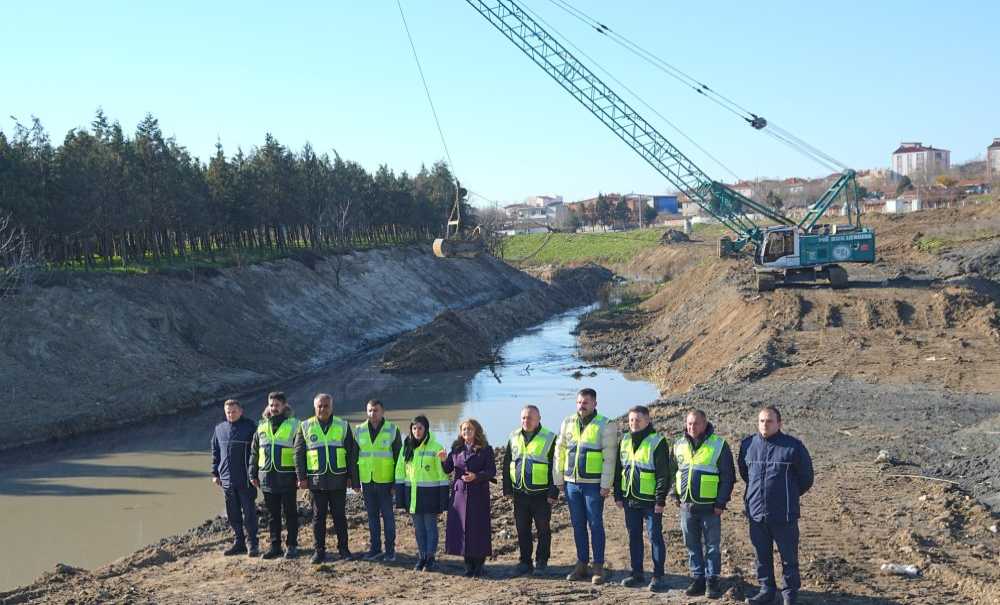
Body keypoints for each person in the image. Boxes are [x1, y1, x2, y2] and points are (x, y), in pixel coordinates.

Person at [738, 406, 814, 605]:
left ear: (779, 423)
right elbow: (745, 474)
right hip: (756, 513)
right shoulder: (748, 445)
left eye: (770, 421)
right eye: (762, 421)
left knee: (788, 558)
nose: (765, 424)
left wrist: (786, 496)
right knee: (761, 556)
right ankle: (767, 591)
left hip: (784, 514)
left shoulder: (793, 447)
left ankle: (789, 595)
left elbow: (806, 478)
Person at [554, 388, 618, 585]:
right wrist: (558, 479)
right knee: (578, 525)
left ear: (594, 404)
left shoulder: (605, 424)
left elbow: (610, 457)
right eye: (579, 402)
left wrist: (606, 484)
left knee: (595, 524)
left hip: (593, 485)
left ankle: (598, 566)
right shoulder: (567, 422)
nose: (582, 406)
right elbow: (560, 451)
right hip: (572, 483)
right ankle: (582, 563)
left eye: (586, 403)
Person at [673, 409, 735, 599]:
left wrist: (720, 503)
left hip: (710, 507)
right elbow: (673, 471)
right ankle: (698, 578)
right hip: (687, 505)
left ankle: (712, 580)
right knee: (691, 544)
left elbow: (728, 477)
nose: (692, 427)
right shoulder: (679, 444)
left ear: (705, 423)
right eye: (689, 423)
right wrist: (674, 494)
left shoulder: (719, 445)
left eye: (696, 423)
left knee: (712, 546)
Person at [294, 393, 359, 564]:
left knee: (340, 516)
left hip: (338, 479)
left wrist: (352, 477)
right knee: (318, 517)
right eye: (319, 406)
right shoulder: (305, 426)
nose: (323, 409)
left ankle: (344, 549)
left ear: (332, 407)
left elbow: (351, 454)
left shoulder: (343, 425)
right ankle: (319, 551)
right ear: (315, 407)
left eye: (326, 406)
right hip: (316, 481)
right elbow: (298, 453)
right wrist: (301, 477)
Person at [614, 405, 673, 591]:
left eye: (638, 420)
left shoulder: (657, 442)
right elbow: (618, 470)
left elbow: (664, 474)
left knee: (655, 536)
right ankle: (637, 573)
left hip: (650, 501)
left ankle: (658, 575)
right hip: (630, 498)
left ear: (647, 421)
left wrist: (660, 499)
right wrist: (618, 495)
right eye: (631, 420)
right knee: (634, 537)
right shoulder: (624, 440)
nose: (634, 423)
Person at [502, 405, 558, 577]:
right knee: (522, 529)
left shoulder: (549, 437)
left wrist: (553, 492)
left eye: (530, 418)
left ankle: (541, 561)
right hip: (520, 494)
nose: (526, 421)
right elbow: (507, 464)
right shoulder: (513, 436)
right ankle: (524, 561)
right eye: (524, 418)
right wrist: (507, 489)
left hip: (541, 494)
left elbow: (556, 468)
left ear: (538, 419)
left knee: (543, 529)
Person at [394, 415, 449, 572]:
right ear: (411, 430)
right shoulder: (407, 448)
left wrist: (443, 498)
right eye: (414, 428)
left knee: (430, 527)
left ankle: (431, 558)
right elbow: (400, 471)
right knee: (418, 529)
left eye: (420, 428)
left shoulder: (436, 447)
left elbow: (442, 474)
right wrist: (400, 496)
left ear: (426, 429)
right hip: (412, 495)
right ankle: (422, 557)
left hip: (431, 494)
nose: (417, 431)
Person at [250, 391, 300, 559]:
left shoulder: (295, 425)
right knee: (272, 515)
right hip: (267, 478)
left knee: (290, 513)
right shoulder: (262, 426)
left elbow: (301, 453)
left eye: (277, 405)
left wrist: (301, 476)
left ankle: (292, 545)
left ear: (284, 406)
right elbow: (255, 452)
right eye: (271, 405)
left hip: (287, 477)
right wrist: (252, 473)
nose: (274, 408)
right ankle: (275, 546)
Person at [444, 419, 497, 577]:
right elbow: (448, 469)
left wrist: (476, 476)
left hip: (478, 494)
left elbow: (491, 471)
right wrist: (441, 459)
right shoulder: (456, 449)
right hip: (460, 495)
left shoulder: (486, 449)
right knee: (463, 529)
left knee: (478, 529)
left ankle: (479, 565)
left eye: (470, 429)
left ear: (476, 431)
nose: (466, 432)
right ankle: (468, 565)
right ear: (461, 432)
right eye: (464, 429)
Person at [354, 399, 402, 562]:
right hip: (367, 480)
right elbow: (354, 457)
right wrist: (355, 481)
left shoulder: (392, 429)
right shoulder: (359, 430)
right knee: (372, 516)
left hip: (386, 481)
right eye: (369, 410)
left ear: (382, 412)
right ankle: (375, 549)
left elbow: (399, 458)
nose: (372, 414)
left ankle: (390, 551)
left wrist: (396, 483)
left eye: (375, 410)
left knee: (388, 517)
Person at [211, 399, 260, 557]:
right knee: (233, 514)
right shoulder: (219, 429)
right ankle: (239, 542)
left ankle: (252, 543)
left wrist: (255, 473)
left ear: (241, 411)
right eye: (228, 412)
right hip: (226, 480)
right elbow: (216, 452)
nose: (231, 414)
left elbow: (257, 452)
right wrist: (215, 473)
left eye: (233, 411)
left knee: (249, 513)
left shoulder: (250, 427)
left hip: (245, 479)